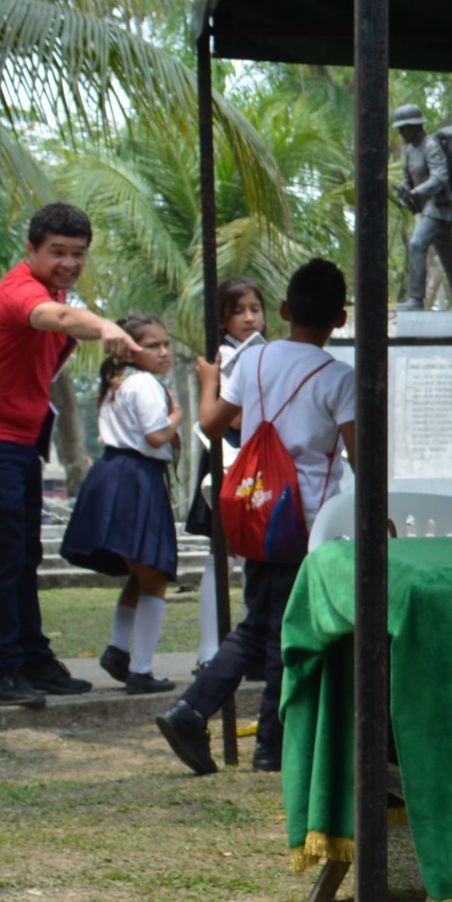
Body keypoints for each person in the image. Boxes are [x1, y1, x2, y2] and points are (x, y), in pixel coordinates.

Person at [163, 261, 355, 776]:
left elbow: (210, 423)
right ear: (339, 319)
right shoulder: (339, 377)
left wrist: (208, 380)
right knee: (279, 635)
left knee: (261, 626)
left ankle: (208, 717)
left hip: (255, 509)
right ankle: (258, 740)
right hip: (305, 520)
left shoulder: (255, 361)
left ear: (285, 311)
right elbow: (360, 455)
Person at [0, 203, 146, 709]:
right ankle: (2, 671)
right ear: (32, 250)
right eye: (57, 252)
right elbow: (53, 318)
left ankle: (33, 659)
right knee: (3, 560)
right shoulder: (22, 290)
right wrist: (104, 324)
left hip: (18, 443)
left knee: (24, 557)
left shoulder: (57, 290)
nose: (68, 262)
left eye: (77, 253)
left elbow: (59, 313)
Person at [62, 313, 182, 695]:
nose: (163, 351)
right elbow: (157, 436)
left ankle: (118, 650)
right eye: (152, 346)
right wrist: (177, 415)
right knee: (155, 575)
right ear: (130, 351)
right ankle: (142, 670)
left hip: (115, 472)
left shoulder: (119, 383)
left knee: (140, 572)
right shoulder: (145, 383)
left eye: (166, 343)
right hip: (137, 478)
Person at [193, 276, 266, 671]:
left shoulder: (263, 354)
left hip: (256, 462)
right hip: (228, 460)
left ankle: (238, 647)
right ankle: (209, 650)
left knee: (248, 556)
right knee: (217, 555)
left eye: (255, 309)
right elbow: (231, 415)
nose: (249, 317)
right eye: (238, 311)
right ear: (222, 318)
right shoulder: (224, 358)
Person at [395, 105, 452, 311]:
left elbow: (440, 177)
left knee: (416, 245)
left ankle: (415, 299)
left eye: (405, 128)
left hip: (439, 207)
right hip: (428, 208)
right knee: (448, 257)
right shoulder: (411, 150)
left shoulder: (431, 146)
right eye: (399, 129)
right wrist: (405, 194)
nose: (401, 132)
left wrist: (417, 193)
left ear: (416, 126)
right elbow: (407, 179)